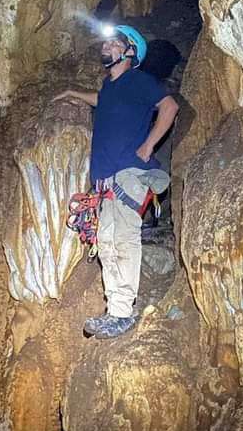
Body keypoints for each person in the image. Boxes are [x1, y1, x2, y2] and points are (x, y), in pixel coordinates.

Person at [53, 25, 179, 338]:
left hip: (129, 173)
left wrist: (148, 146)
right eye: (107, 41)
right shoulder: (110, 87)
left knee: (122, 240)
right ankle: (116, 310)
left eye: (114, 42)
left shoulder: (139, 80)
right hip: (106, 181)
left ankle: (123, 311)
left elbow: (170, 106)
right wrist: (72, 93)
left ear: (130, 51)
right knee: (106, 244)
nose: (106, 45)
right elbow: (100, 99)